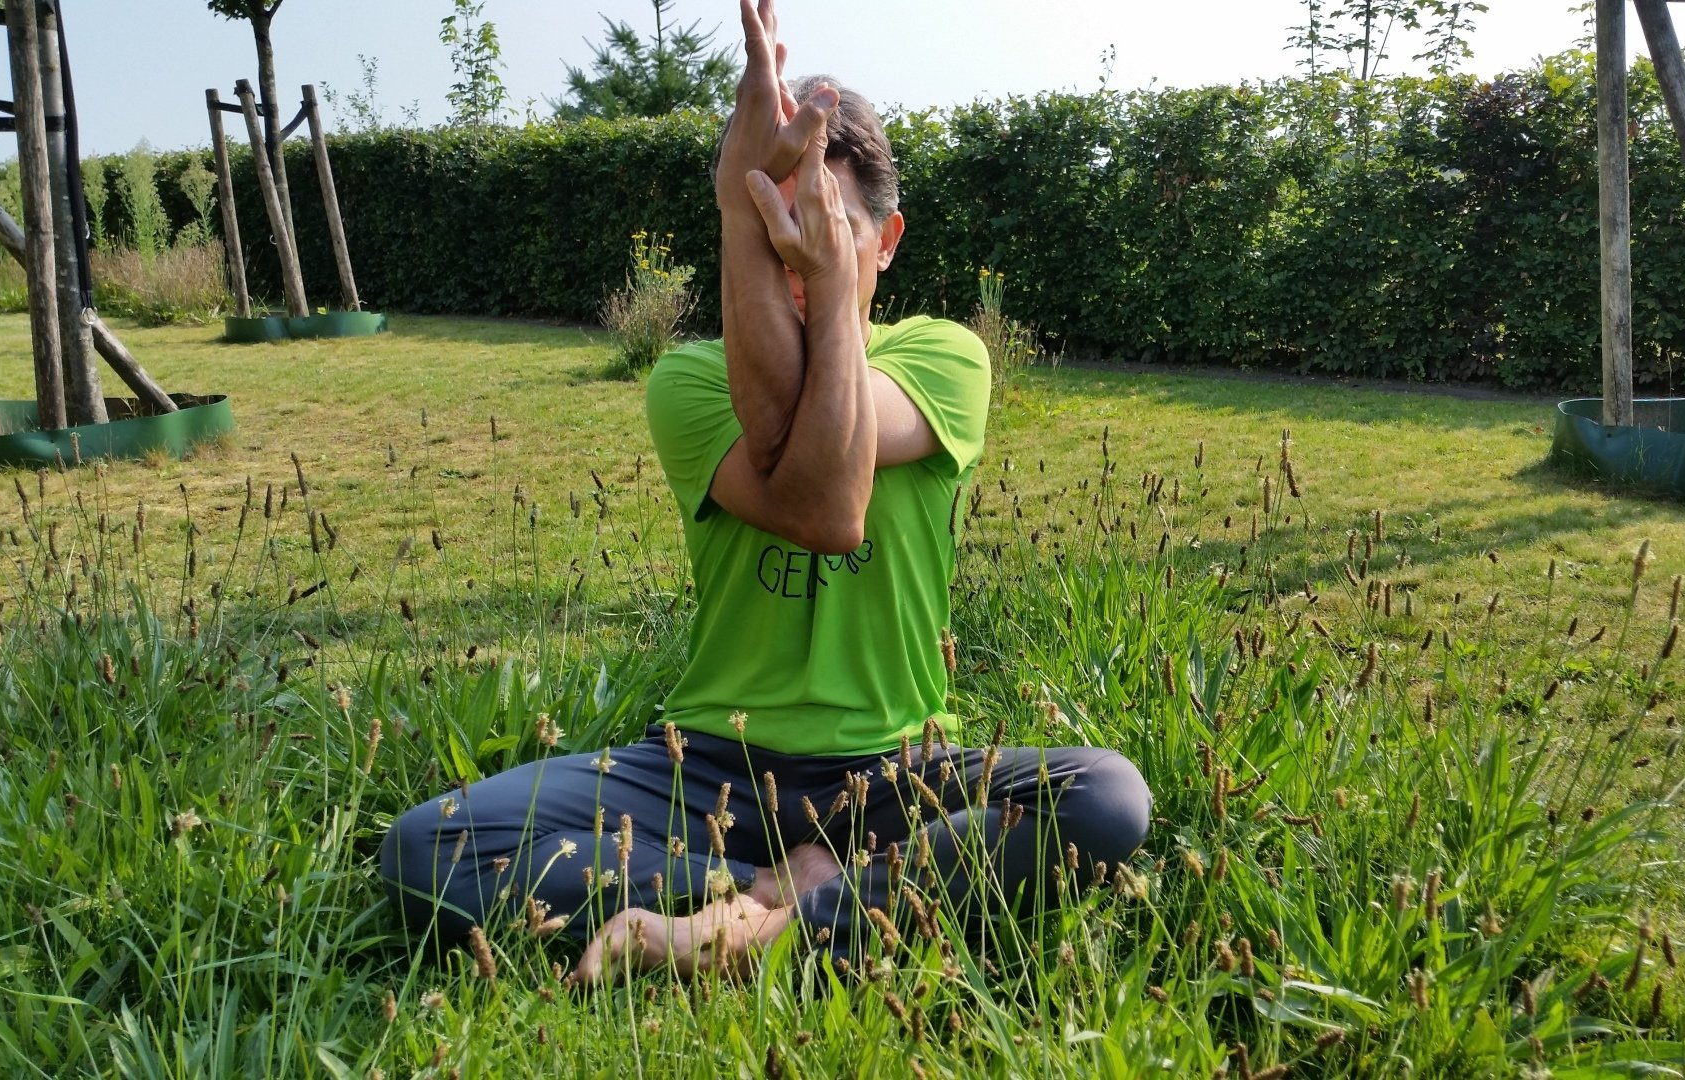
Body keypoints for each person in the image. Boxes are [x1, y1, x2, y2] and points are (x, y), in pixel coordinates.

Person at [379, 0, 1151, 982]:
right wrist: (735, 210)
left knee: (1106, 798)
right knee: (424, 849)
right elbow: (809, 495)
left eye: (823, 226)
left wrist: (822, 284)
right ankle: (815, 890)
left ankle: (750, 921)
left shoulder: (944, 357)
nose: (797, 257)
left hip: (897, 772)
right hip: (707, 765)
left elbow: (833, 502)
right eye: (773, 227)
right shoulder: (688, 379)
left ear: (887, 241)